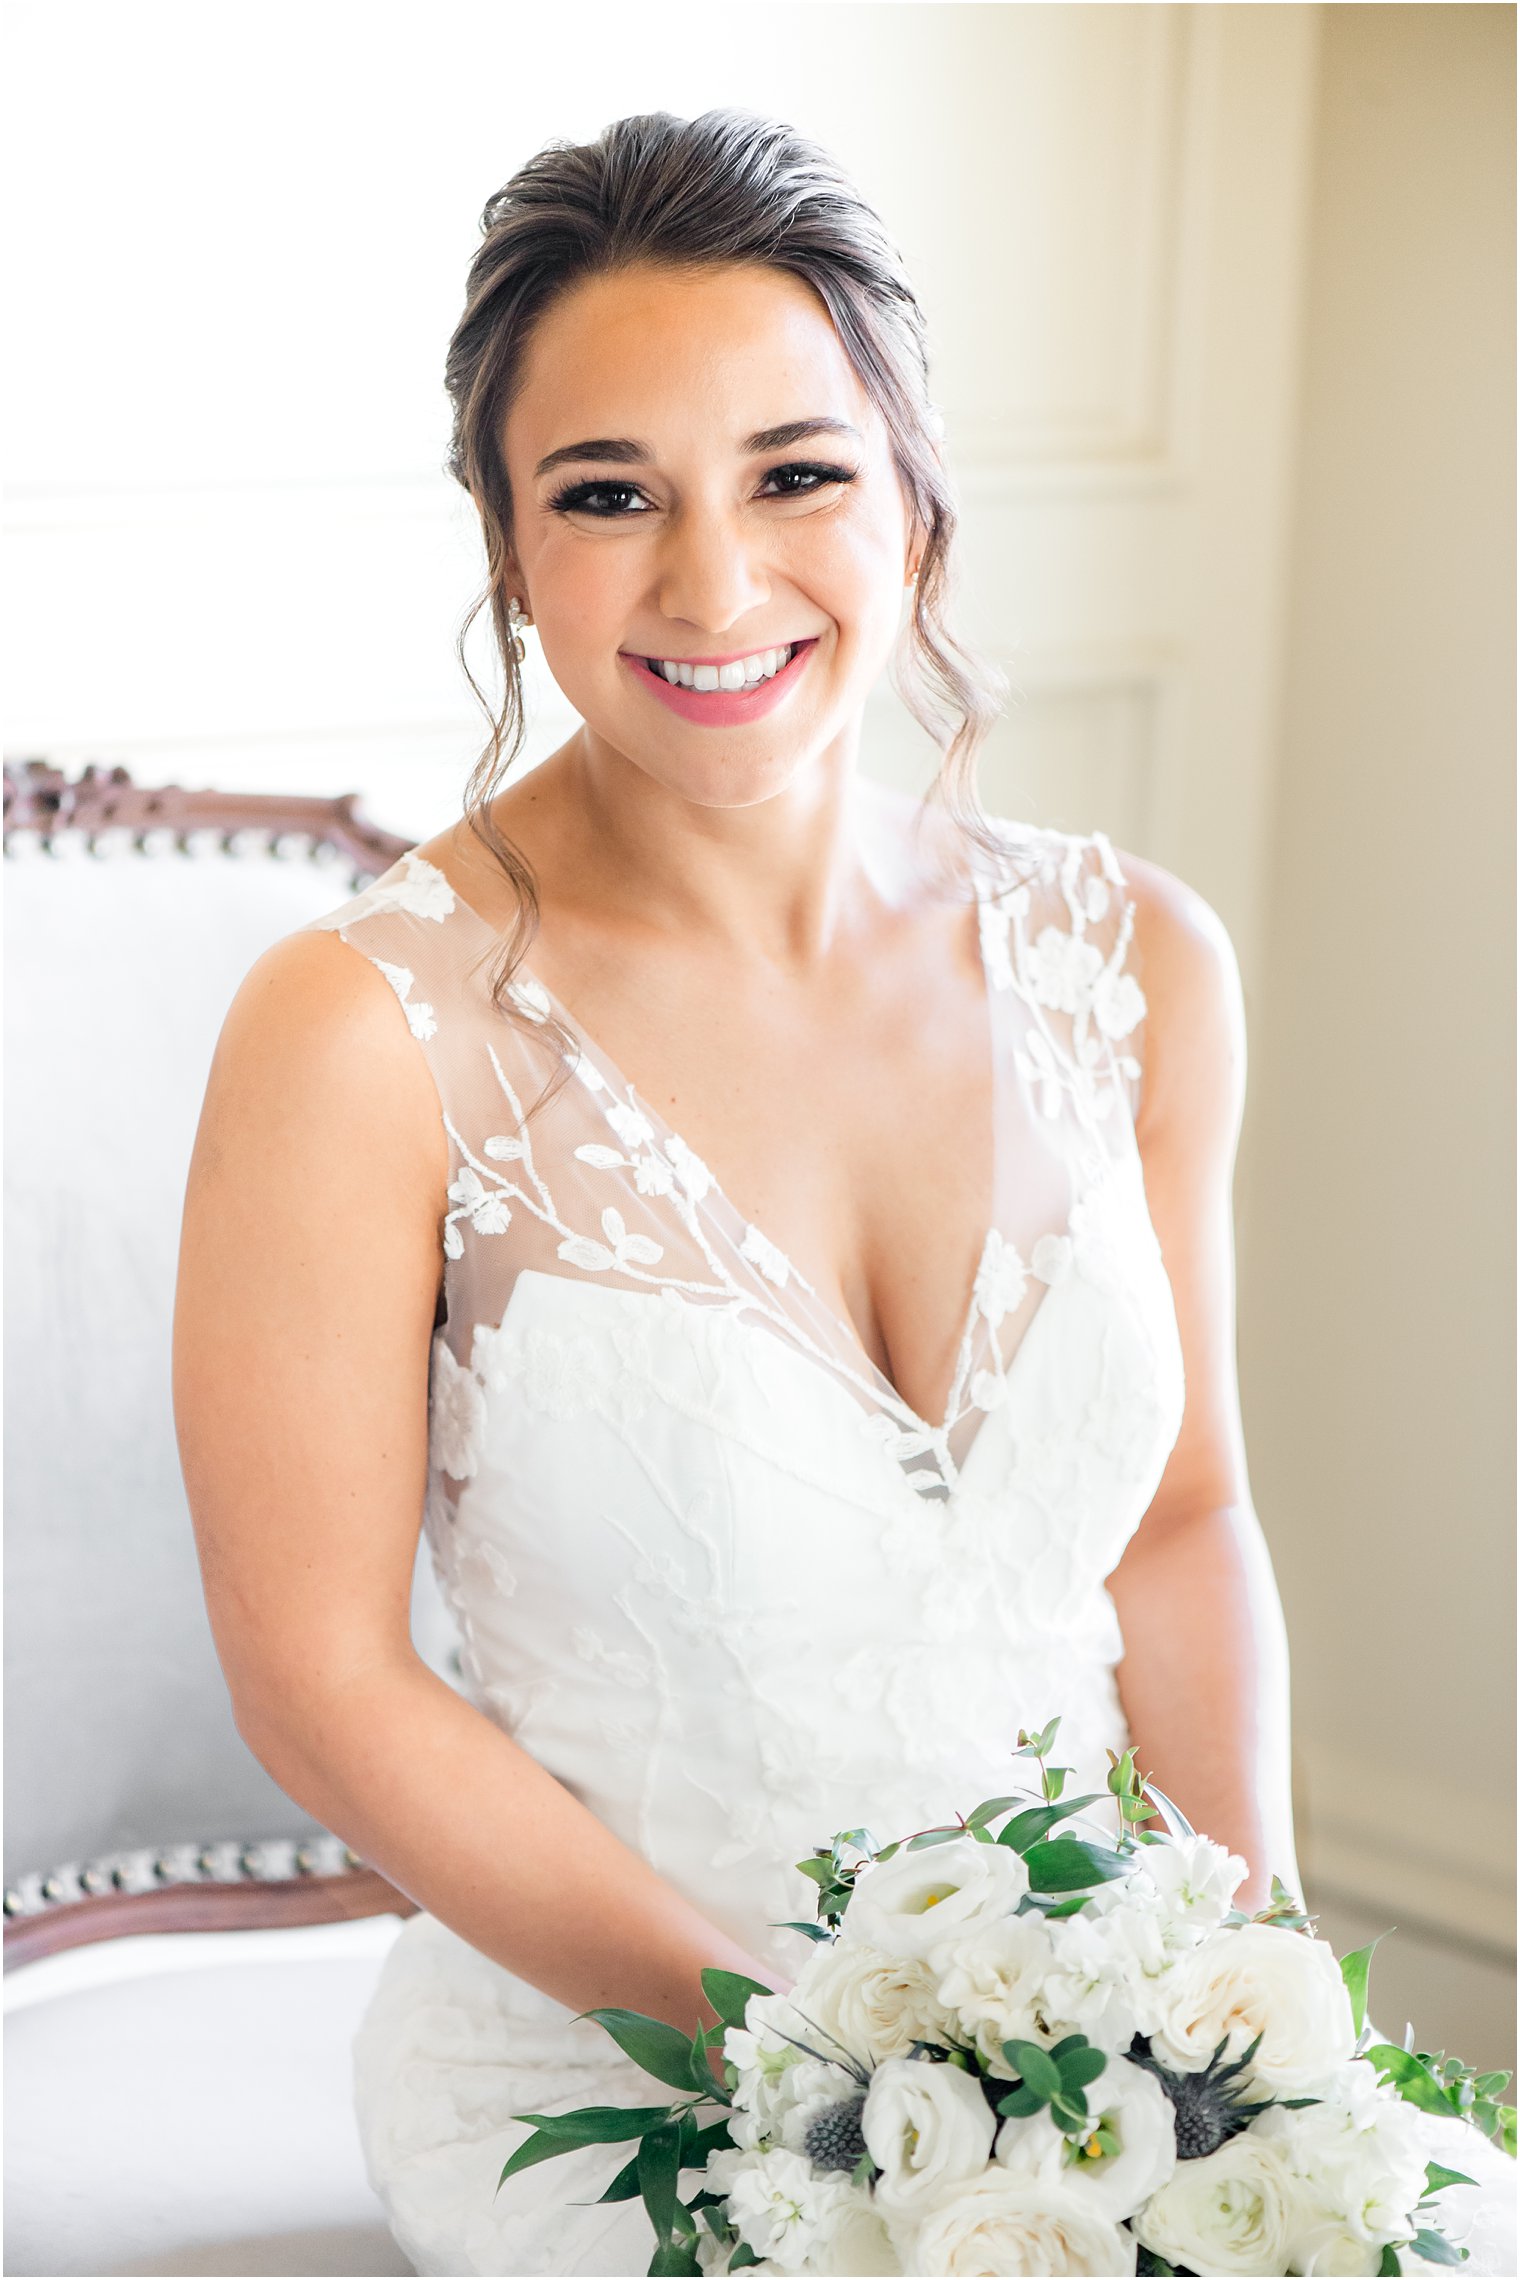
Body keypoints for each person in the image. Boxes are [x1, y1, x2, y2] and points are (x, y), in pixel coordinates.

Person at [174, 108, 1300, 2276]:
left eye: (796, 473)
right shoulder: (361, 1032)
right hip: (613, 2078)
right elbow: (317, 1674)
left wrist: (1242, 2020)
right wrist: (822, 2082)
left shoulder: (1135, 961)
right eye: (608, 498)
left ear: (914, 502)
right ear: (511, 555)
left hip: (1103, 2048)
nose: (712, 585)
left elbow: (1179, 1522)